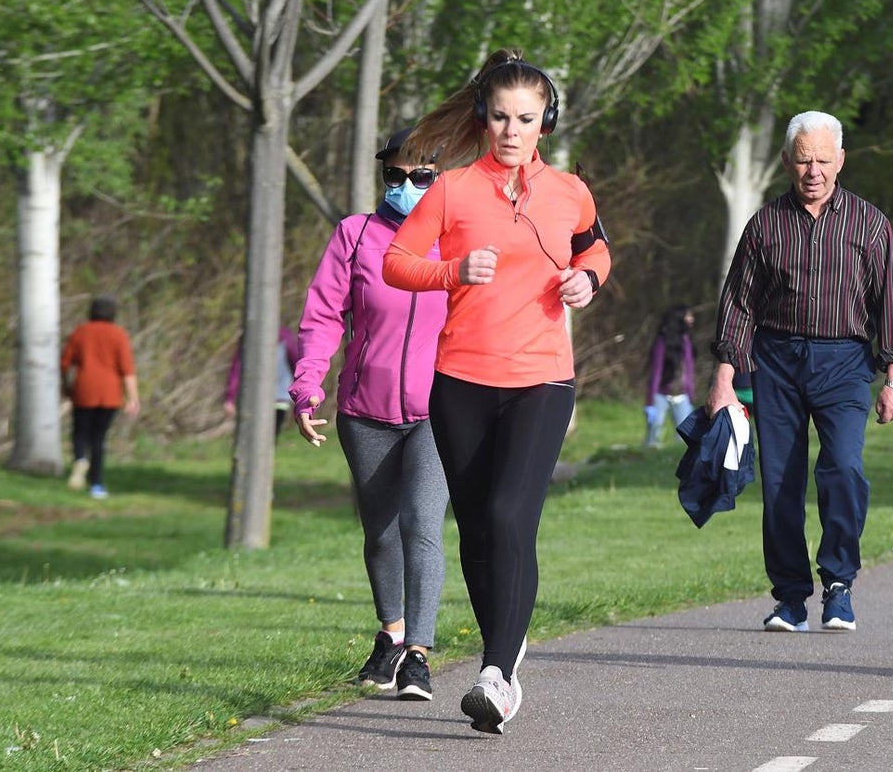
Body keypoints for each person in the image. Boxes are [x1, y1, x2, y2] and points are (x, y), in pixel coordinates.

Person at [381, 49, 611, 735]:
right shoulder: (450, 190)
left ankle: (498, 671)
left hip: (541, 379)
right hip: (461, 384)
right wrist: (452, 270)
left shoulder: (571, 190)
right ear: (484, 117)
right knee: (479, 527)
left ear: (547, 123)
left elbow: (596, 248)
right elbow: (397, 262)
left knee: (511, 515)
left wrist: (588, 281)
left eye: (527, 119)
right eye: (502, 116)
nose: (513, 130)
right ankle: (502, 655)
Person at [705, 110, 893, 634]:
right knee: (780, 483)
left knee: (843, 468)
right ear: (785, 162)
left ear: (840, 160)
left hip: (844, 362)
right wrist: (724, 381)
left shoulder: (870, 224)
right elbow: (738, 307)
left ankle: (839, 585)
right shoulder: (765, 225)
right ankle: (791, 598)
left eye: (822, 159)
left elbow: (890, 305)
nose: (813, 170)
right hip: (775, 361)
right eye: (803, 160)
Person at [289, 127, 450, 702]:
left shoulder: (457, 238)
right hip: (365, 411)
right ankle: (391, 633)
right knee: (380, 532)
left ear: (441, 178)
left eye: (421, 176)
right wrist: (306, 384)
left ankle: (419, 656)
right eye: (395, 176)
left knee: (421, 524)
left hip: (438, 412)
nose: (406, 186)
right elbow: (323, 315)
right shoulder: (355, 235)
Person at [61, 295, 141, 499]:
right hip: (110, 393)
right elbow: (127, 369)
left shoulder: (80, 332)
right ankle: (97, 485)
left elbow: (65, 363)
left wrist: (66, 386)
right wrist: (133, 397)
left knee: (80, 432)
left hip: (84, 389)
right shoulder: (119, 334)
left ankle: (80, 459)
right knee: (99, 438)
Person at [223, 326, 300, 436]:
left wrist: (229, 398)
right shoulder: (284, 336)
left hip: (264, 399)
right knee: (268, 438)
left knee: (252, 437)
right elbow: (297, 366)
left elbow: (236, 369)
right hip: (270, 399)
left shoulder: (250, 337)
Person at [644, 304, 696, 447]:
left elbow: (689, 370)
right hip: (661, 394)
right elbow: (656, 371)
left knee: (686, 440)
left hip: (682, 396)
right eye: (688, 316)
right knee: (653, 437)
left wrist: (691, 396)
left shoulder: (686, 341)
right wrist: (650, 402)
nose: (692, 319)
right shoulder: (662, 341)